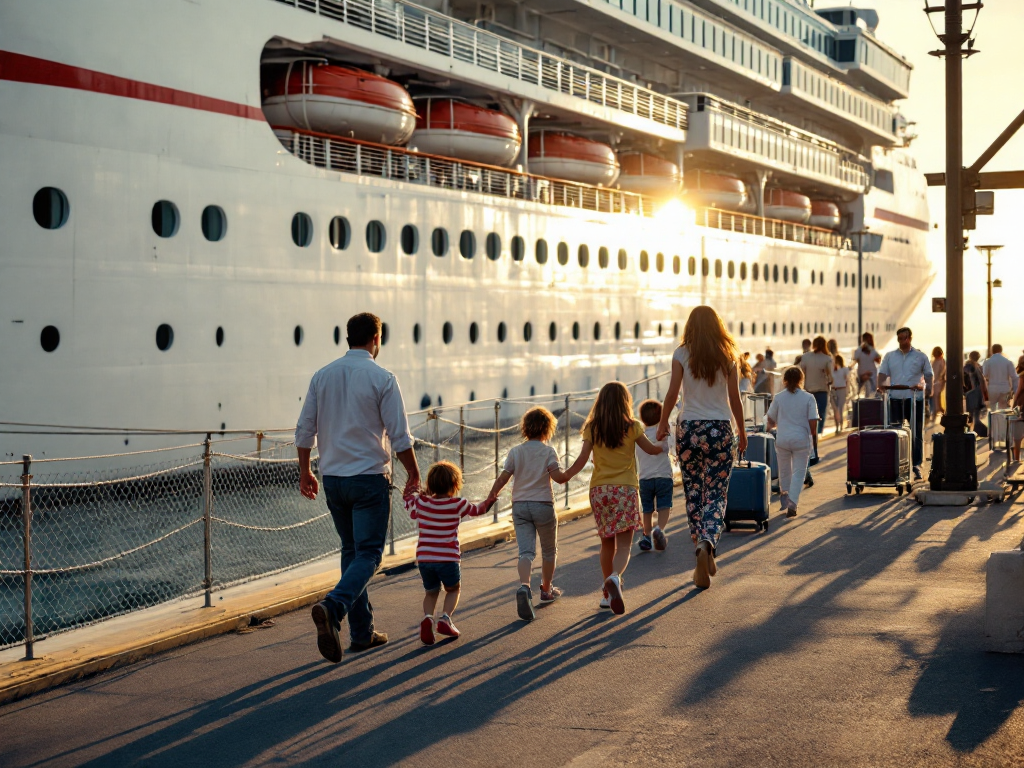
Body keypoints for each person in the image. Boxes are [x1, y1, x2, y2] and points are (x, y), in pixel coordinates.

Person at [296, 312, 420, 664]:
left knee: (351, 551)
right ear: (376, 339)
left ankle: (362, 633)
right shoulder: (383, 378)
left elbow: (304, 429)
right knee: (369, 554)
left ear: (347, 337)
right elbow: (399, 435)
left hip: (333, 478)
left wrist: (305, 471)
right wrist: (413, 473)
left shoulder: (322, 376)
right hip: (368, 477)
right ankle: (333, 608)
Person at [657, 306, 747, 591]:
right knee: (717, 494)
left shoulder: (681, 353)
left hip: (689, 430)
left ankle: (699, 545)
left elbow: (672, 393)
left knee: (694, 491)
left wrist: (662, 423)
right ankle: (708, 542)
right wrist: (742, 432)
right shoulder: (728, 355)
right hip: (719, 429)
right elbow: (735, 398)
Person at [563, 382, 664, 614]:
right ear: (624, 401)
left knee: (606, 543)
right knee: (625, 545)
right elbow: (650, 450)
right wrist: (663, 446)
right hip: (625, 489)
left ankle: (607, 595)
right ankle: (615, 579)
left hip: (600, 491)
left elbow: (581, 460)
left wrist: (565, 475)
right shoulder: (633, 426)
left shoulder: (592, 427)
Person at [486, 407, 573, 622]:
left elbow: (504, 477)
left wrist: (491, 496)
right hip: (542, 505)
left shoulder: (516, 451)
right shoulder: (548, 452)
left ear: (525, 428)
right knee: (549, 551)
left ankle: (524, 586)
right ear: (548, 428)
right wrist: (575, 468)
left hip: (520, 506)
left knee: (526, 552)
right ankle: (546, 590)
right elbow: (559, 478)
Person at [406, 461, 494, 644]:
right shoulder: (458, 504)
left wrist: (412, 492)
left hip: (425, 559)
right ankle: (445, 618)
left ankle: (428, 618)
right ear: (455, 485)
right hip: (448, 558)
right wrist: (490, 500)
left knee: (431, 592)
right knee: (453, 589)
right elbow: (479, 510)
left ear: (430, 485)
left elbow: (410, 507)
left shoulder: (421, 502)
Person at [878, 326, 933, 481]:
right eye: (899, 339)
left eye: (904, 338)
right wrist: (880, 385)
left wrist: (926, 389)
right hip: (895, 398)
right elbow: (882, 373)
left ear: (910, 338)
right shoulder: (890, 356)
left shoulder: (921, 356)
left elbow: (929, 375)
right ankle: (894, 465)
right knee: (894, 432)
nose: (902, 341)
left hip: (914, 399)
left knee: (916, 433)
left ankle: (916, 465)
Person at [766, 367, 818, 517]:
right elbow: (813, 422)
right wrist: (812, 437)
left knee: (784, 471)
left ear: (785, 380)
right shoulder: (808, 398)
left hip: (782, 439)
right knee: (799, 472)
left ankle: (784, 497)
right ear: (801, 379)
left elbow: (770, 418)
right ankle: (792, 503)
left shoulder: (779, 397)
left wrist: (778, 424)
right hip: (801, 439)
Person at [635, 399, 674, 553]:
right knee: (664, 505)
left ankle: (646, 535)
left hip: (644, 477)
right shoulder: (663, 432)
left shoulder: (639, 434)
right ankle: (660, 530)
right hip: (663, 476)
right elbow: (670, 446)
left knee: (647, 509)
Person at [798, 336, 833, 437]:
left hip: (808, 389)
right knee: (820, 413)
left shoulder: (805, 357)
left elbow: (801, 373)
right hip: (822, 389)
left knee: (808, 413)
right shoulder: (827, 358)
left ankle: (809, 432)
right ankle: (818, 433)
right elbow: (830, 377)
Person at [983, 344, 1019, 411]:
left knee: (993, 409)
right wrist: (1015, 390)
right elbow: (1014, 376)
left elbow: (985, 374)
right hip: (1004, 388)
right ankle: (1002, 421)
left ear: (992, 351)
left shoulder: (987, 362)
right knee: (1003, 408)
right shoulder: (1008, 362)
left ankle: (994, 421)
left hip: (992, 388)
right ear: (1001, 350)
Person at [963, 351, 988, 428]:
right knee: (975, 411)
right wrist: (983, 391)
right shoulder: (974, 366)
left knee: (972, 411)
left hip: (971, 391)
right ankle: (974, 428)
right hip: (975, 391)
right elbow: (978, 380)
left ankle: (972, 427)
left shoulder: (968, 366)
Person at [854, 332, 882, 396]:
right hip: (862, 374)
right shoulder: (859, 350)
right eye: (866, 339)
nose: (868, 341)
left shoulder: (872, 350)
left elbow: (878, 360)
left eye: (869, 339)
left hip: (871, 373)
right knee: (860, 393)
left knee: (872, 392)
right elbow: (856, 359)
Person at [831, 354, 851, 432]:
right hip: (833, 390)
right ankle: (837, 426)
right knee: (835, 409)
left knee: (840, 408)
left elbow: (847, 380)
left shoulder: (844, 369)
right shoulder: (832, 370)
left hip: (841, 389)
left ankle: (841, 426)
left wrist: (847, 391)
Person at [930, 347, 946, 423]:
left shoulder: (940, 361)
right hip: (935, 383)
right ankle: (939, 414)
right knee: (936, 399)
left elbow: (942, 373)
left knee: (936, 399)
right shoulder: (935, 361)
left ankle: (936, 415)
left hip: (938, 383)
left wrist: (941, 381)